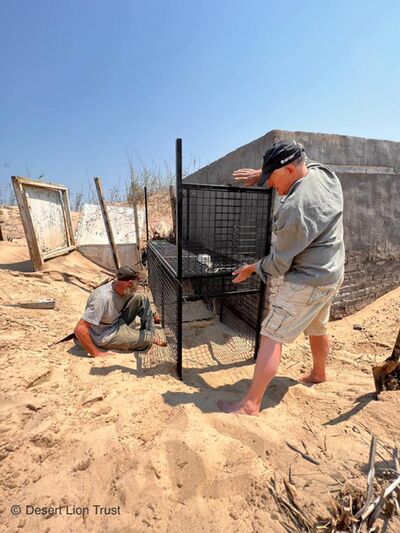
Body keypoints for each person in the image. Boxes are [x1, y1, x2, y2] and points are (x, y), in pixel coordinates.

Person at [218, 140, 345, 415]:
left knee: (271, 335)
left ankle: (250, 404)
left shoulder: (295, 209)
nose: (270, 186)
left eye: (272, 179)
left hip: (308, 280)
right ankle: (319, 373)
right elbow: (305, 163)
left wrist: (253, 268)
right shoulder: (324, 174)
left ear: (288, 169)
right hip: (332, 271)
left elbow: (278, 264)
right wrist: (263, 172)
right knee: (318, 327)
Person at [74, 265, 165, 357]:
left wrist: (153, 314)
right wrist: (96, 353)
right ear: (130, 282)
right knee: (147, 340)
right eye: (137, 282)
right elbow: (80, 329)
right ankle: (148, 337)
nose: (138, 284)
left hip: (117, 321)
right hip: (105, 334)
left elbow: (140, 303)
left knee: (142, 298)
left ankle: (150, 332)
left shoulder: (123, 288)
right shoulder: (102, 298)